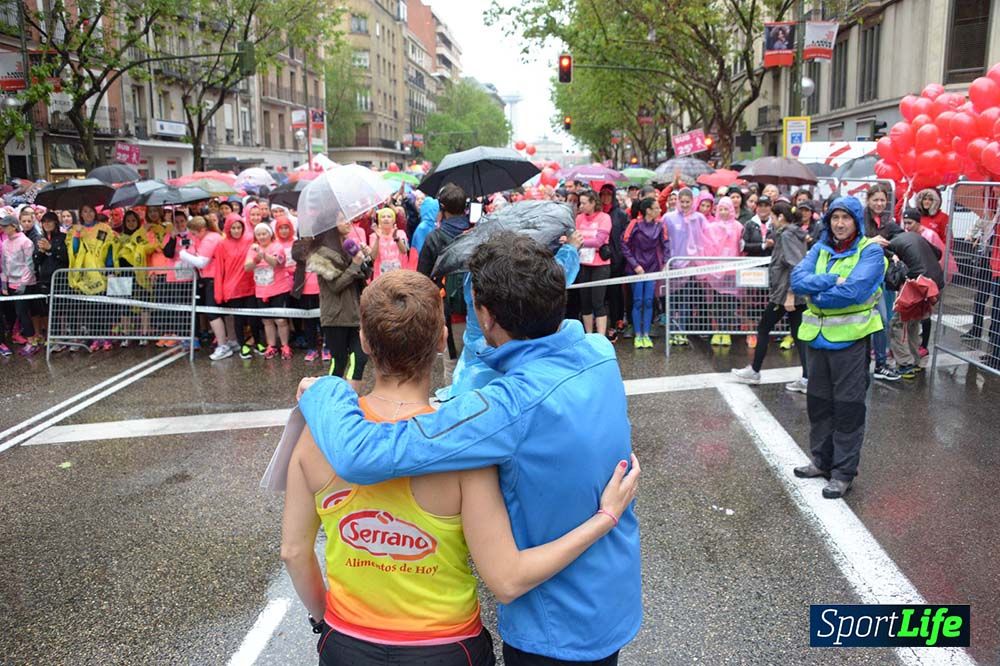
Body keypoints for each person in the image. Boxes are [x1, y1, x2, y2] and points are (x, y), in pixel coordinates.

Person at [297, 232, 642, 665]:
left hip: (553, 627)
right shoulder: (597, 353)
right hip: (610, 600)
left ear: (485, 315)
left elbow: (361, 453)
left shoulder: (504, 409)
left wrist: (326, 392)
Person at [791, 196, 887, 499]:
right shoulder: (820, 248)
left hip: (851, 342)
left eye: (846, 218)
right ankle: (821, 461)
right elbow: (797, 280)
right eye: (835, 218)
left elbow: (854, 291)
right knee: (819, 404)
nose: (840, 224)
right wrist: (832, 278)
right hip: (818, 340)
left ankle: (843, 472)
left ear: (857, 221)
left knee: (848, 408)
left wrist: (817, 293)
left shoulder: (870, 251)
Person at [732, 202, 809, 392]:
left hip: (784, 294)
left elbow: (795, 265)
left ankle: (755, 370)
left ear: (780, 218)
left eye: (773, 217)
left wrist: (790, 294)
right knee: (799, 336)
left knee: (764, 328)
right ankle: (807, 378)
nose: (772, 221)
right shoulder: (795, 233)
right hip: (789, 292)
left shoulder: (787, 235)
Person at [309, 220, 371, 391]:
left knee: (360, 358)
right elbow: (335, 285)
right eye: (341, 219)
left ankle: (351, 400)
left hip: (355, 313)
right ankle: (329, 397)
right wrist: (355, 264)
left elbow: (365, 275)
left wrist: (364, 259)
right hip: (336, 316)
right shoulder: (319, 255)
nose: (347, 222)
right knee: (339, 361)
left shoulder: (348, 247)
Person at [887, 210, 945, 377]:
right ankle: (915, 361)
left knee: (898, 323)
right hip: (935, 285)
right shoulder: (917, 237)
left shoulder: (894, 243)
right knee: (913, 323)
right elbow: (939, 253)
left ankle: (905, 364)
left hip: (920, 286)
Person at [861, 183, 902, 381]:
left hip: (882, 279)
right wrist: (871, 241)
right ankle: (862, 364)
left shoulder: (888, 221)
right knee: (863, 322)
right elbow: (853, 243)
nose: (879, 203)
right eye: (875, 199)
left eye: (882, 200)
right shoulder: (860, 220)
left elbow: (899, 240)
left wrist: (894, 253)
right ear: (868, 200)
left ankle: (881, 364)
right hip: (862, 279)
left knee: (882, 321)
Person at [663, 188, 708, 345]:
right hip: (673, 264)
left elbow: (706, 237)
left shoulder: (699, 218)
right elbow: (665, 240)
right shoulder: (668, 217)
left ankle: (681, 331)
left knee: (685, 299)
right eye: (681, 201)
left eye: (687, 202)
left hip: (691, 266)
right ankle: (672, 331)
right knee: (672, 299)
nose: (684, 205)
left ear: (692, 201)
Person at [622, 198, 668, 349]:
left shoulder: (661, 225)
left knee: (648, 301)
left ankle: (646, 334)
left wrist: (666, 263)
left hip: (652, 268)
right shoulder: (634, 224)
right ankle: (638, 334)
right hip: (636, 269)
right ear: (648, 210)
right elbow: (624, 244)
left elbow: (666, 244)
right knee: (637, 301)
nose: (659, 210)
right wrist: (635, 265)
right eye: (656, 208)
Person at [244, 222, 293, 359]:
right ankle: (271, 346)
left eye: (264, 233)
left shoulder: (277, 246)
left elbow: (277, 263)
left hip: (279, 289)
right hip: (261, 290)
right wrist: (256, 258)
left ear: (270, 234)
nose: (261, 237)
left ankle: (285, 345)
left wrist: (263, 255)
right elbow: (247, 267)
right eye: (258, 234)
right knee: (267, 320)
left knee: (281, 320)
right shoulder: (252, 249)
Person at [700, 197, 744, 346]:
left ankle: (726, 331)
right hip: (716, 271)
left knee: (730, 302)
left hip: (732, 271)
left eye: (726, 209)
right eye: (721, 209)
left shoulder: (738, 226)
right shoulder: (712, 227)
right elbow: (708, 247)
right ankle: (718, 329)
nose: (724, 212)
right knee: (717, 302)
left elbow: (741, 247)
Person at [214, 213, 257, 359]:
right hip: (233, 288)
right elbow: (219, 269)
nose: (237, 230)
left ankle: (257, 342)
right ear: (228, 229)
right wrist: (219, 293)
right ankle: (242, 345)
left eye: (239, 227)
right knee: (238, 319)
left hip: (250, 285)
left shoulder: (250, 239)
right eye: (233, 228)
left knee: (253, 317)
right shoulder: (222, 244)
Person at [573, 189, 613, 337]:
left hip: (600, 265)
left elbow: (599, 241)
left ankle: (601, 337)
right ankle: (588, 335)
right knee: (585, 302)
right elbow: (574, 235)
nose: (581, 206)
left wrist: (578, 243)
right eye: (580, 203)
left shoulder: (604, 218)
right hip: (583, 264)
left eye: (584, 203)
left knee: (598, 301)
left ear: (593, 203)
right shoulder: (579, 218)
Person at [1, 216, 40, 355]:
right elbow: (4, 264)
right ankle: (29, 338)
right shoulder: (5, 243)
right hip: (10, 282)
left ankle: (32, 341)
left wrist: (23, 283)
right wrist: (4, 283)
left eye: (6, 226)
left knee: (22, 312)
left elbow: (29, 265)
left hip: (25, 283)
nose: (3, 229)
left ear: (13, 226)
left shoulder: (26, 242)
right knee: (16, 313)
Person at [600, 183, 630, 342]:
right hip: (599, 260)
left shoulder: (620, 214)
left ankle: (616, 322)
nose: (605, 197)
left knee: (615, 294)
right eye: (602, 194)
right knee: (600, 295)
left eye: (608, 194)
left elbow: (624, 238)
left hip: (616, 260)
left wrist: (620, 258)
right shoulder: (596, 213)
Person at [369, 207, 409, 278]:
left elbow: (404, 251)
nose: (386, 219)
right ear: (379, 220)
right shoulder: (373, 236)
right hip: (380, 276)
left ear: (393, 220)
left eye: (389, 216)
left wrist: (396, 238)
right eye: (383, 217)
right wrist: (378, 238)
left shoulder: (400, 233)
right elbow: (373, 257)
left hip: (399, 275)